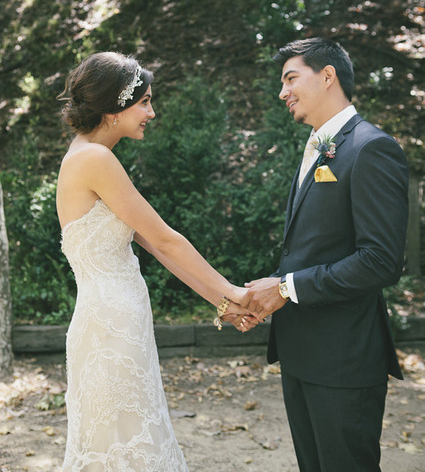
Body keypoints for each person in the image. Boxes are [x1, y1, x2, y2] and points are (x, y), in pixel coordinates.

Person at [56, 51, 258, 471]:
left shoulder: (86, 154)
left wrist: (222, 301)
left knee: (127, 438)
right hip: (112, 326)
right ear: (114, 108)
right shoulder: (95, 160)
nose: (152, 112)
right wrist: (233, 291)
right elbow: (166, 239)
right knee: (126, 445)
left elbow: (154, 245)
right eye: (144, 102)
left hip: (111, 319)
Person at [240, 37, 409, 472]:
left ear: (328, 75)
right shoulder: (320, 145)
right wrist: (262, 295)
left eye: (290, 78)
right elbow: (312, 249)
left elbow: (381, 261)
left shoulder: (372, 147)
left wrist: (285, 288)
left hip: (344, 360)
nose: (282, 92)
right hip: (301, 353)